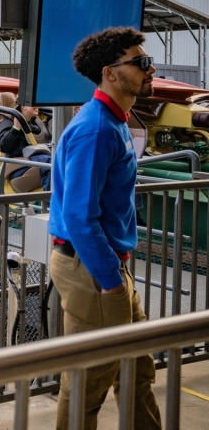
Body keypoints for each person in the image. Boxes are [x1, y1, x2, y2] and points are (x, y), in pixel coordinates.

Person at [49, 26, 159, 430]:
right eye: (141, 62)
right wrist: (111, 281)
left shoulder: (113, 123)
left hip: (108, 267)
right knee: (88, 383)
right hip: (93, 271)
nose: (150, 69)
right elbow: (79, 216)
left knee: (137, 371)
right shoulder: (96, 129)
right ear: (111, 73)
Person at [0, 102, 52, 191]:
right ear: (23, 106)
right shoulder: (8, 122)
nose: (37, 106)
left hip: (38, 158)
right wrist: (16, 128)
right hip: (18, 165)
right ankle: (50, 202)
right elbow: (3, 147)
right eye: (33, 104)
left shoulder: (36, 122)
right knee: (50, 163)